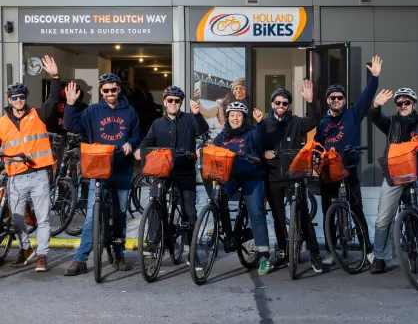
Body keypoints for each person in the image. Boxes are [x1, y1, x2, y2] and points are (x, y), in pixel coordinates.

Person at [63, 73, 140, 276]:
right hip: (98, 170)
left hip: (122, 170)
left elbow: (136, 135)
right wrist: (70, 105)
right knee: (91, 217)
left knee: (120, 215)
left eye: (113, 89)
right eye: (106, 90)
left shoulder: (130, 111)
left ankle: (119, 256)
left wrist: (130, 143)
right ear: (101, 91)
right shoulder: (93, 111)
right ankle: (80, 259)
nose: (110, 93)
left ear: (119, 89)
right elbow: (72, 126)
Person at [315, 55, 382, 266]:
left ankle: (367, 250)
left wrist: (374, 78)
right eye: (332, 97)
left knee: (356, 209)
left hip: (349, 168)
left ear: (344, 100)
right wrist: (315, 159)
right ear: (328, 100)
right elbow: (317, 144)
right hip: (328, 170)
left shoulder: (352, 114)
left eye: (339, 97)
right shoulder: (322, 122)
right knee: (328, 211)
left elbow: (366, 97)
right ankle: (331, 250)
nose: (336, 100)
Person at [370, 88, 418, 273]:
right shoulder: (392, 122)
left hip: (417, 172)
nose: (403, 106)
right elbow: (377, 118)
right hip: (395, 173)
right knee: (383, 218)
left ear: (414, 104)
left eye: (407, 102)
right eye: (400, 103)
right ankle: (380, 257)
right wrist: (376, 105)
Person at [0, 55, 61, 272]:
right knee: (17, 220)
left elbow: (53, 100)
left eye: (21, 97)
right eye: (14, 97)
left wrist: (55, 77)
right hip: (15, 176)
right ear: (9, 100)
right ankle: (26, 249)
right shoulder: (2, 123)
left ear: (25, 98)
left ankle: (42, 255)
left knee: (43, 218)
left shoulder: (38, 115)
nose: (18, 100)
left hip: (38, 174)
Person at [134, 86, 209, 261]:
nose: (173, 103)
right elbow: (147, 141)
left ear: (181, 103)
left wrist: (197, 114)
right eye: (170, 100)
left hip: (185, 170)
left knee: (189, 211)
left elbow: (203, 130)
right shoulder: (157, 123)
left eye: (177, 100)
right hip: (162, 170)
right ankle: (154, 243)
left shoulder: (190, 119)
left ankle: (192, 251)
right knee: (154, 201)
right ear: (165, 102)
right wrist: (139, 150)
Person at [263, 82, 325, 272]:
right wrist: (264, 152)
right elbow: (257, 143)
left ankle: (315, 254)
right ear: (272, 103)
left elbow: (314, 120)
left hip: (295, 175)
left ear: (288, 105)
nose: (281, 106)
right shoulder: (265, 124)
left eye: (284, 103)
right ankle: (283, 253)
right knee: (278, 217)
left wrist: (311, 101)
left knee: (302, 214)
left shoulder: (297, 122)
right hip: (273, 176)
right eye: (278, 103)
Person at [213, 101, 273, 276]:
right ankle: (229, 235)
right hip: (231, 176)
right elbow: (214, 149)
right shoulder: (223, 135)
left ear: (244, 117)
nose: (235, 118)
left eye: (238, 115)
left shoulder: (252, 132)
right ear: (228, 117)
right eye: (232, 115)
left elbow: (261, 141)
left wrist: (260, 123)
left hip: (252, 176)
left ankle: (264, 256)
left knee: (256, 213)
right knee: (218, 197)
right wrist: (202, 148)